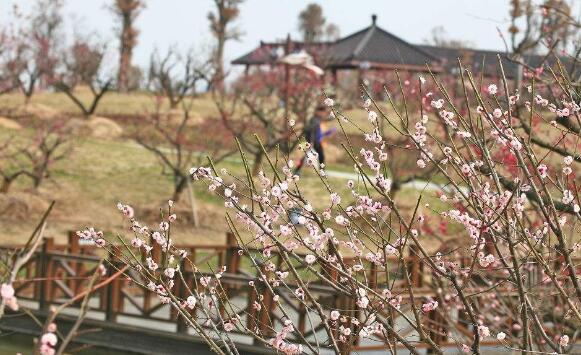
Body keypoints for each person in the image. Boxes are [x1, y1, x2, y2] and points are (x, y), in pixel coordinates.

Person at [294, 104, 336, 175]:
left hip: (316, 141)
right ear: (318, 112)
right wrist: (311, 142)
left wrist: (334, 115)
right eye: (323, 112)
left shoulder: (317, 119)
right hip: (313, 141)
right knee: (308, 156)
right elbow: (310, 130)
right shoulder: (314, 120)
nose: (324, 114)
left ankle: (321, 171)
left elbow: (328, 119)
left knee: (319, 156)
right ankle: (297, 170)